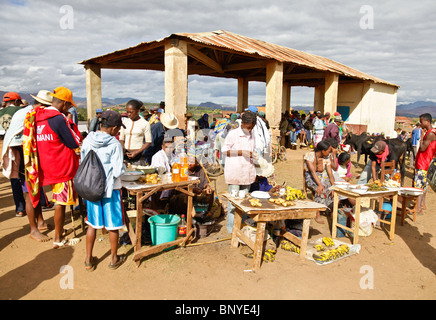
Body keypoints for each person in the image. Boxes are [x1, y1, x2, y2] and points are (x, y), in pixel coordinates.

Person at [23, 86, 82, 248]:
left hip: (43, 166)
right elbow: (73, 142)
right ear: (63, 104)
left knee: (50, 200)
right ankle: (58, 238)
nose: (69, 108)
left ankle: (55, 229)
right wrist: (69, 122)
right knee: (60, 203)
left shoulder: (35, 116)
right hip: (61, 167)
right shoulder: (58, 118)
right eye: (69, 105)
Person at [81, 110, 126, 271]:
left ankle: (88, 260)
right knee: (113, 225)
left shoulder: (88, 140)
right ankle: (114, 259)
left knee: (92, 224)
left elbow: (83, 162)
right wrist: (125, 167)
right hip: (110, 190)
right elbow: (117, 171)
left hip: (92, 189)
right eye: (119, 128)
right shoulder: (114, 144)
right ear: (114, 128)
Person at [222, 111, 257, 233]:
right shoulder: (233, 134)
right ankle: (232, 229)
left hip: (247, 171)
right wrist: (241, 152)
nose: (249, 130)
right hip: (235, 172)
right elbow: (224, 150)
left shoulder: (252, 135)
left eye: (252, 128)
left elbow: (253, 149)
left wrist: (254, 155)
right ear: (242, 124)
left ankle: (242, 228)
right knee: (234, 203)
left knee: (245, 202)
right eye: (248, 127)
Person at [303, 140, 334, 223]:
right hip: (311, 177)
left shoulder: (326, 158)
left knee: (330, 188)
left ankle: (327, 208)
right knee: (319, 189)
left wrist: (333, 186)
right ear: (323, 151)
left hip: (322, 176)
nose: (329, 152)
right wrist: (320, 184)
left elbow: (330, 174)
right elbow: (313, 172)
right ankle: (317, 213)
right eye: (328, 151)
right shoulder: (309, 155)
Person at [414, 113, 436, 214]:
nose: (420, 123)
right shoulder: (432, 132)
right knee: (423, 186)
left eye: (421, 121)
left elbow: (422, 148)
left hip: (422, 163)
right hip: (426, 163)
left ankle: (418, 208)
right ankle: (422, 205)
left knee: (419, 186)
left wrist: (422, 136)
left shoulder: (430, 134)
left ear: (427, 121)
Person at [119, 99, 152, 165]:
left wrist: (136, 152)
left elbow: (148, 142)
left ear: (138, 111)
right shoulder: (125, 122)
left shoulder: (145, 124)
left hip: (138, 157)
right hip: (125, 156)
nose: (129, 114)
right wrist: (123, 148)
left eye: (131, 112)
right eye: (127, 112)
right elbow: (121, 138)